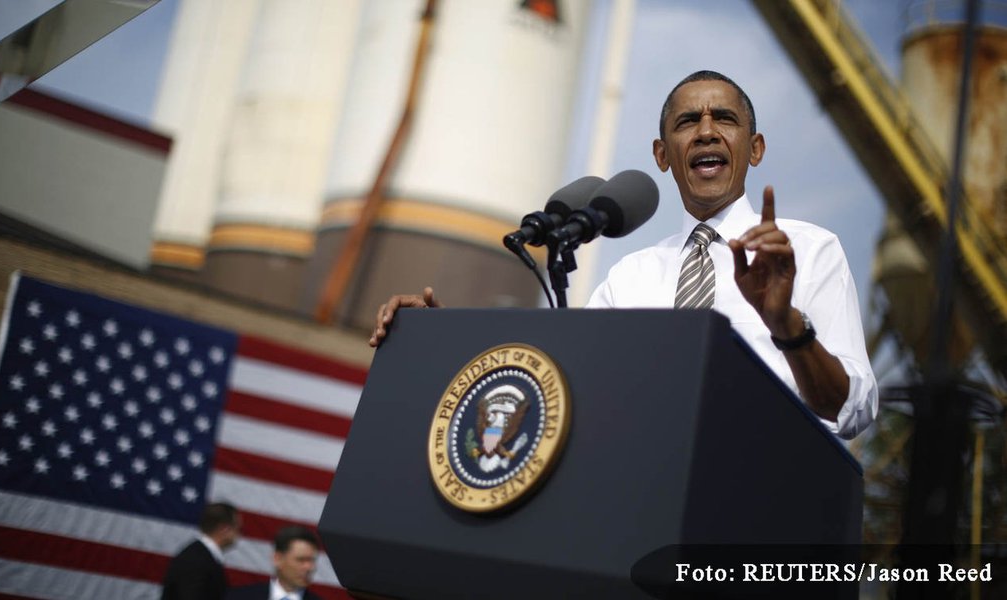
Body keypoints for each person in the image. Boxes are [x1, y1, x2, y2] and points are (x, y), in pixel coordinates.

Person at [370, 70, 877, 440]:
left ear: (756, 147)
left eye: (724, 118)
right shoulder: (631, 277)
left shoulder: (809, 251)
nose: (705, 130)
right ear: (662, 155)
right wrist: (440, 343)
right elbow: (558, 393)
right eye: (687, 122)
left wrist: (786, 324)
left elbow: (853, 409)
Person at [161, 502, 242, 600]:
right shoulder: (196, 560)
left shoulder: (202, 557)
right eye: (238, 528)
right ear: (224, 529)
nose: (239, 534)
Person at [226, 526, 322, 600]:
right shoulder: (240, 597)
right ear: (277, 559)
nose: (309, 567)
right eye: (301, 560)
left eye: (312, 560)